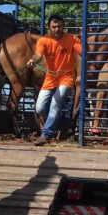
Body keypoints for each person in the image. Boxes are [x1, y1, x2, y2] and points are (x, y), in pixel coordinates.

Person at [27, 14, 82, 146]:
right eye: (54, 27)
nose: (56, 29)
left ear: (63, 26)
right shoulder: (44, 41)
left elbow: (81, 51)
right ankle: (64, 121)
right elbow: (38, 55)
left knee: (55, 104)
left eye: (59, 26)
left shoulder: (72, 38)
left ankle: (45, 134)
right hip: (50, 78)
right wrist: (32, 61)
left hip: (66, 77)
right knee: (40, 108)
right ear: (49, 27)